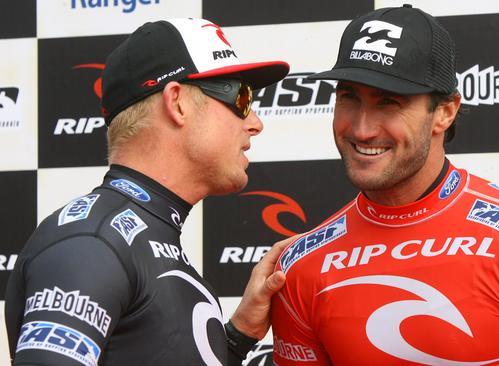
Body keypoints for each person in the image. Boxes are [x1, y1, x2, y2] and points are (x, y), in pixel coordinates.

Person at [271, 5, 499, 365]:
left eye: (389, 102)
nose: (362, 128)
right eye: (349, 98)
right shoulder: (301, 268)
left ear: (445, 111)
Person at [5, 17, 291, 366]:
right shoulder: (90, 244)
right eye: (241, 98)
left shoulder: (135, 240)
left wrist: (239, 334)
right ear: (178, 102)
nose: (255, 123)